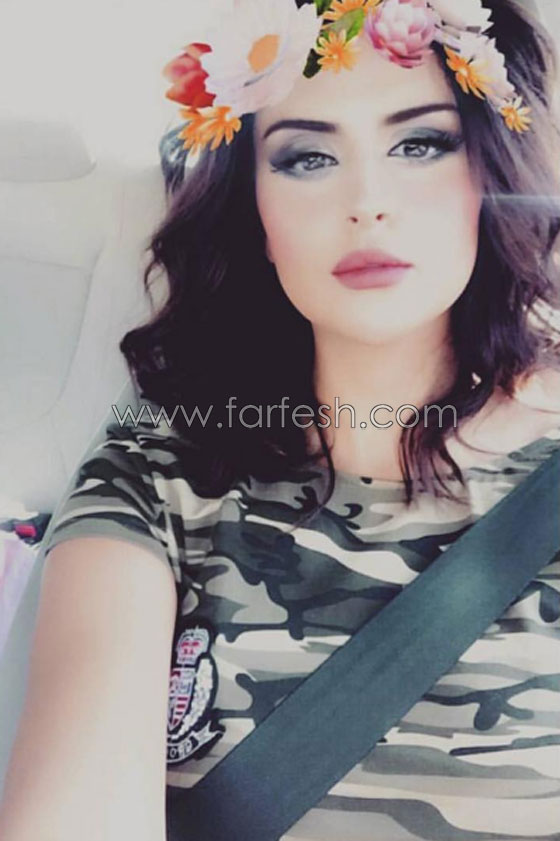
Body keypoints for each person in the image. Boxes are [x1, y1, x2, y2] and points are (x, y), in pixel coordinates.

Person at [1, 1, 560, 839]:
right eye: (307, 158)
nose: (368, 201)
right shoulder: (158, 471)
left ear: (488, 174)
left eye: (420, 144)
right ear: (256, 216)